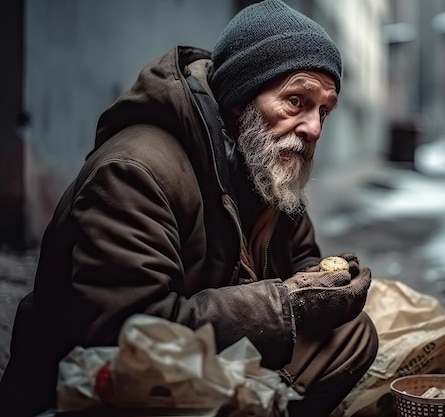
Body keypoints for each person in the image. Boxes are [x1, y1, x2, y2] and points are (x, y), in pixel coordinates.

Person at [0, 1, 378, 416]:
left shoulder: (267, 164)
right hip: (99, 383)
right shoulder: (135, 171)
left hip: (206, 355)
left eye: (323, 109)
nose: (314, 128)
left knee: (351, 335)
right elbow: (129, 332)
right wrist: (286, 303)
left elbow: (299, 260)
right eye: (296, 101)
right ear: (240, 98)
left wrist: (326, 288)